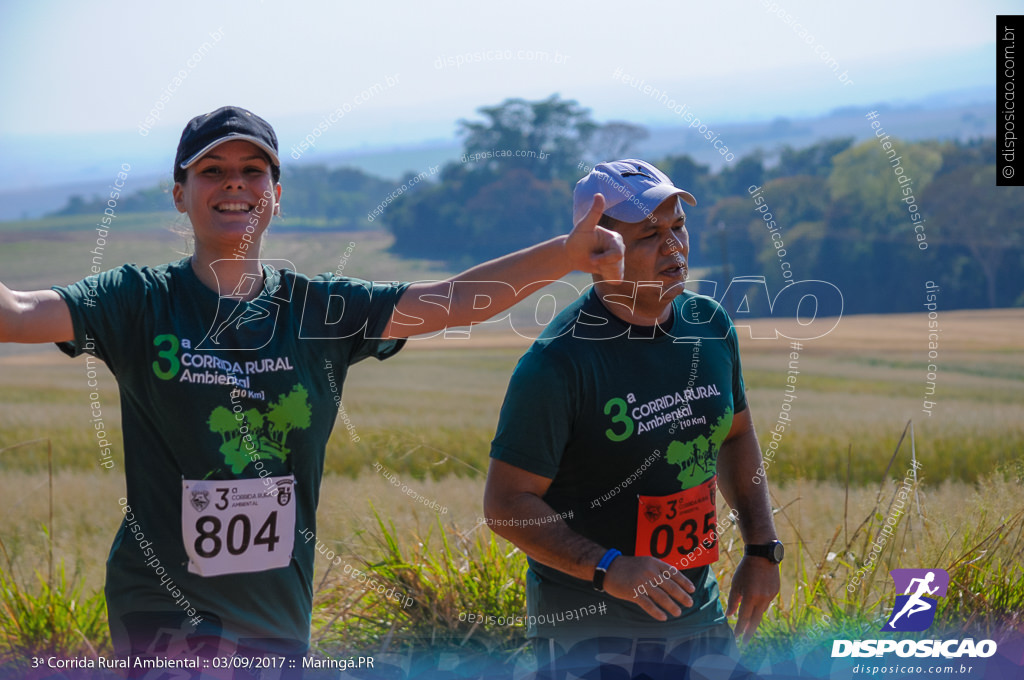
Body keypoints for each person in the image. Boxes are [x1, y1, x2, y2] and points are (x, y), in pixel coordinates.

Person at [0, 106, 625, 676]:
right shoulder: (140, 300)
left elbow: (450, 302)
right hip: (163, 610)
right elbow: (20, 313)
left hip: (277, 615)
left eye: (253, 170)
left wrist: (564, 255)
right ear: (179, 195)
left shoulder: (317, 308)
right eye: (211, 170)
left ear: (277, 196)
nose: (234, 183)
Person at [483, 159, 782, 677]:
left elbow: (735, 435)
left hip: (699, 622)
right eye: (649, 234)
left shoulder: (709, 325)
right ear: (600, 250)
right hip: (591, 638)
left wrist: (761, 550)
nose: (673, 246)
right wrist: (610, 568)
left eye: (678, 227)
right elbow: (506, 505)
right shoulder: (558, 363)